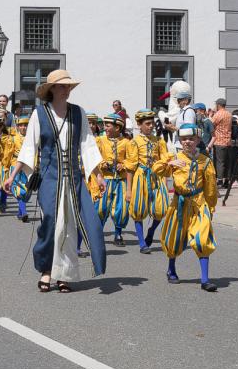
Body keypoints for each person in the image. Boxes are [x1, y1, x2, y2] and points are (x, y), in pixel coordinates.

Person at [2, 69, 107, 293]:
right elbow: (29, 147)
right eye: (62, 86)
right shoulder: (39, 114)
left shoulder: (78, 113)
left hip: (74, 178)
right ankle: (46, 269)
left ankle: (64, 274)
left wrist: (97, 174)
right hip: (50, 178)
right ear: (51, 90)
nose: (66, 89)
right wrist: (13, 175)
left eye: (68, 86)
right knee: (50, 221)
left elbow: (88, 145)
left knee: (69, 224)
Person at [154, 122, 219, 291]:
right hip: (179, 204)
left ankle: (205, 279)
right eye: (184, 139)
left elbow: (210, 187)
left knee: (203, 238)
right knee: (174, 238)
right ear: (180, 141)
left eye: (191, 138)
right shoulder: (174, 157)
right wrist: (169, 165)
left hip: (198, 203)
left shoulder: (205, 161)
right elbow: (156, 169)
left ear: (198, 140)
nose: (187, 142)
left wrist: (210, 208)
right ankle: (171, 269)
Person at [93, 113, 135, 246]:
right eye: (105, 125)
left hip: (120, 181)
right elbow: (94, 158)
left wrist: (123, 165)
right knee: (100, 208)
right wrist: (102, 164)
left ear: (118, 128)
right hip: (104, 179)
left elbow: (131, 163)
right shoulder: (100, 140)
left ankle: (118, 234)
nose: (105, 127)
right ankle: (98, 234)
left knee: (121, 209)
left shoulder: (127, 143)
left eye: (108, 125)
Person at [129, 109, 167, 252]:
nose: (151, 126)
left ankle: (151, 231)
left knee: (161, 208)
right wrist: (128, 189)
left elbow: (164, 161)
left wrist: (164, 179)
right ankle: (142, 243)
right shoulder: (134, 142)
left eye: (152, 123)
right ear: (139, 125)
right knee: (138, 209)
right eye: (147, 124)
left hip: (156, 177)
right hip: (141, 176)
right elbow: (131, 167)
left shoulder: (159, 141)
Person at [210, 98, 232, 187]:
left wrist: (211, 115)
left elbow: (211, 124)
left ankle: (219, 180)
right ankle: (227, 180)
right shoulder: (229, 114)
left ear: (218, 105)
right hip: (228, 140)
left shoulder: (218, 114)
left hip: (219, 140)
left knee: (219, 162)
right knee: (227, 161)